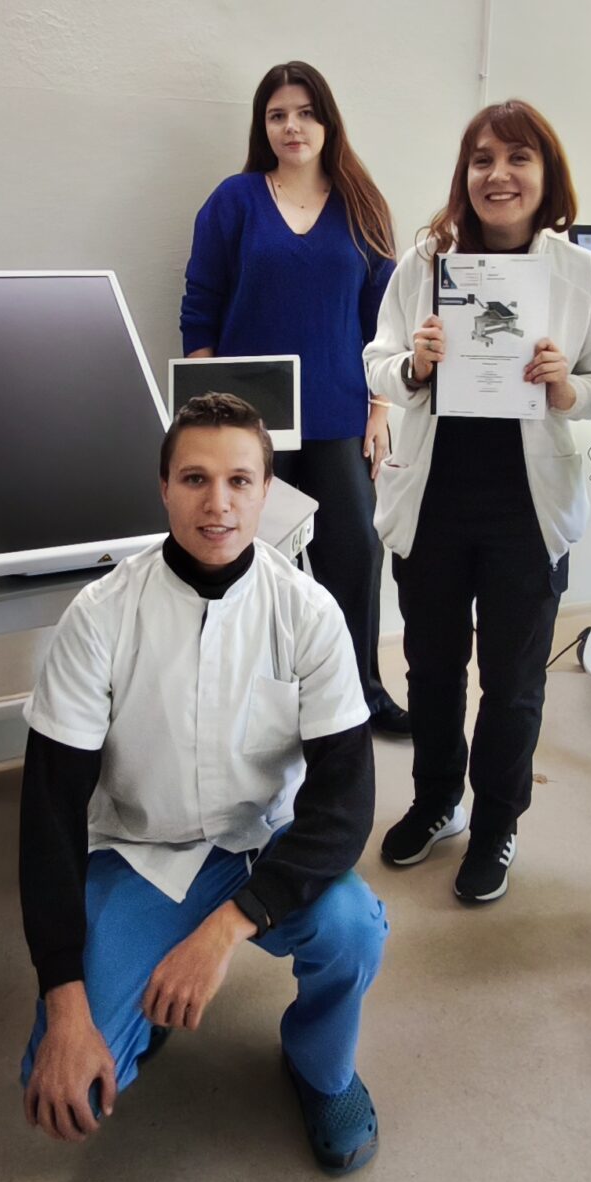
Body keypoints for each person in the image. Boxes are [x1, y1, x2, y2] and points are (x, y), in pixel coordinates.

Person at [16, 394, 387, 1176]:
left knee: (352, 927)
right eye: (194, 479)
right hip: (143, 852)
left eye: (239, 481)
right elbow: (48, 817)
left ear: (266, 490)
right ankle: (141, 1004)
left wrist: (225, 931)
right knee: (66, 1093)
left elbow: (346, 803)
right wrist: (65, 1002)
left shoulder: (308, 613)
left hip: (268, 845)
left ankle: (323, 1068)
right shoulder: (100, 617)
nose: (218, 503)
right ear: (163, 487)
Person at [361, 100, 591, 904]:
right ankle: (437, 800)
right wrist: (413, 366)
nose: (498, 175)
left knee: (512, 684)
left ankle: (496, 823)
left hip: (526, 510)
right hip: (433, 501)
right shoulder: (426, 263)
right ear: (465, 174)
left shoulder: (579, 274)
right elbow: (375, 361)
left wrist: (566, 387)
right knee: (432, 669)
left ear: (547, 176)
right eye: (482, 159)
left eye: (518, 159)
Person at [181, 61, 408, 735]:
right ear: (264, 126)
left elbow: (385, 318)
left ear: (327, 122)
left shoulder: (361, 204)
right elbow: (200, 306)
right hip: (251, 425)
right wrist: (206, 414)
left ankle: (360, 693)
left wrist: (380, 408)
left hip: (338, 414)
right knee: (248, 561)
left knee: (354, 553)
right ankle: (253, 703)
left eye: (306, 113)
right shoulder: (235, 201)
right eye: (278, 114)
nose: (292, 126)